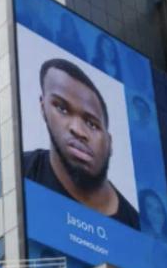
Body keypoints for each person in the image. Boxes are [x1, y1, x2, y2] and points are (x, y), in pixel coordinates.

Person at [23, 58, 140, 229]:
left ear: (110, 142)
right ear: (43, 108)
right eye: (62, 108)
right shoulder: (18, 172)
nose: (77, 130)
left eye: (92, 124)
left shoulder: (136, 226)